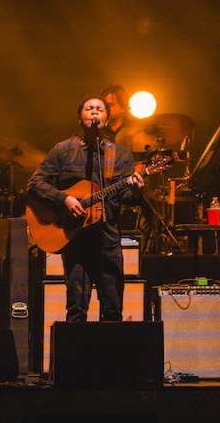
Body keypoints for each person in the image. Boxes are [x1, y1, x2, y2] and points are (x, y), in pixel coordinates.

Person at [27, 95, 145, 321]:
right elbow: (34, 184)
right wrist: (65, 200)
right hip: (75, 239)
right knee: (76, 310)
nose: (94, 111)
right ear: (80, 118)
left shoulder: (120, 155)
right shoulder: (63, 150)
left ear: (107, 119)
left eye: (99, 109)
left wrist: (137, 191)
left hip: (107, 240)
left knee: (112, 309)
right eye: (89, 108)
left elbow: (127, 197)